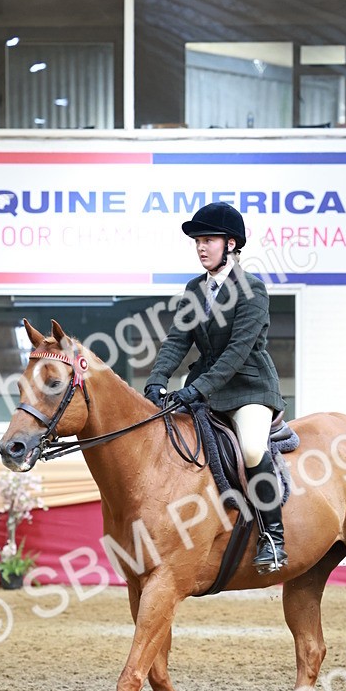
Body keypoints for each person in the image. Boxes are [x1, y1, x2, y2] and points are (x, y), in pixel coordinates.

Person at [144, 201, 288, 574]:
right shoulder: (195, 288)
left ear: (231, 244)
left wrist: (197, 390)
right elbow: (177, 341)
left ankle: (273, 537)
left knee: (252, 448)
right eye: (198, 242)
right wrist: (158, 379)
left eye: (208, 240)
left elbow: (237, 353)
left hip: (248, 388)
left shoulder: (252, 289)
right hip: (204, 388)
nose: (201, 247)